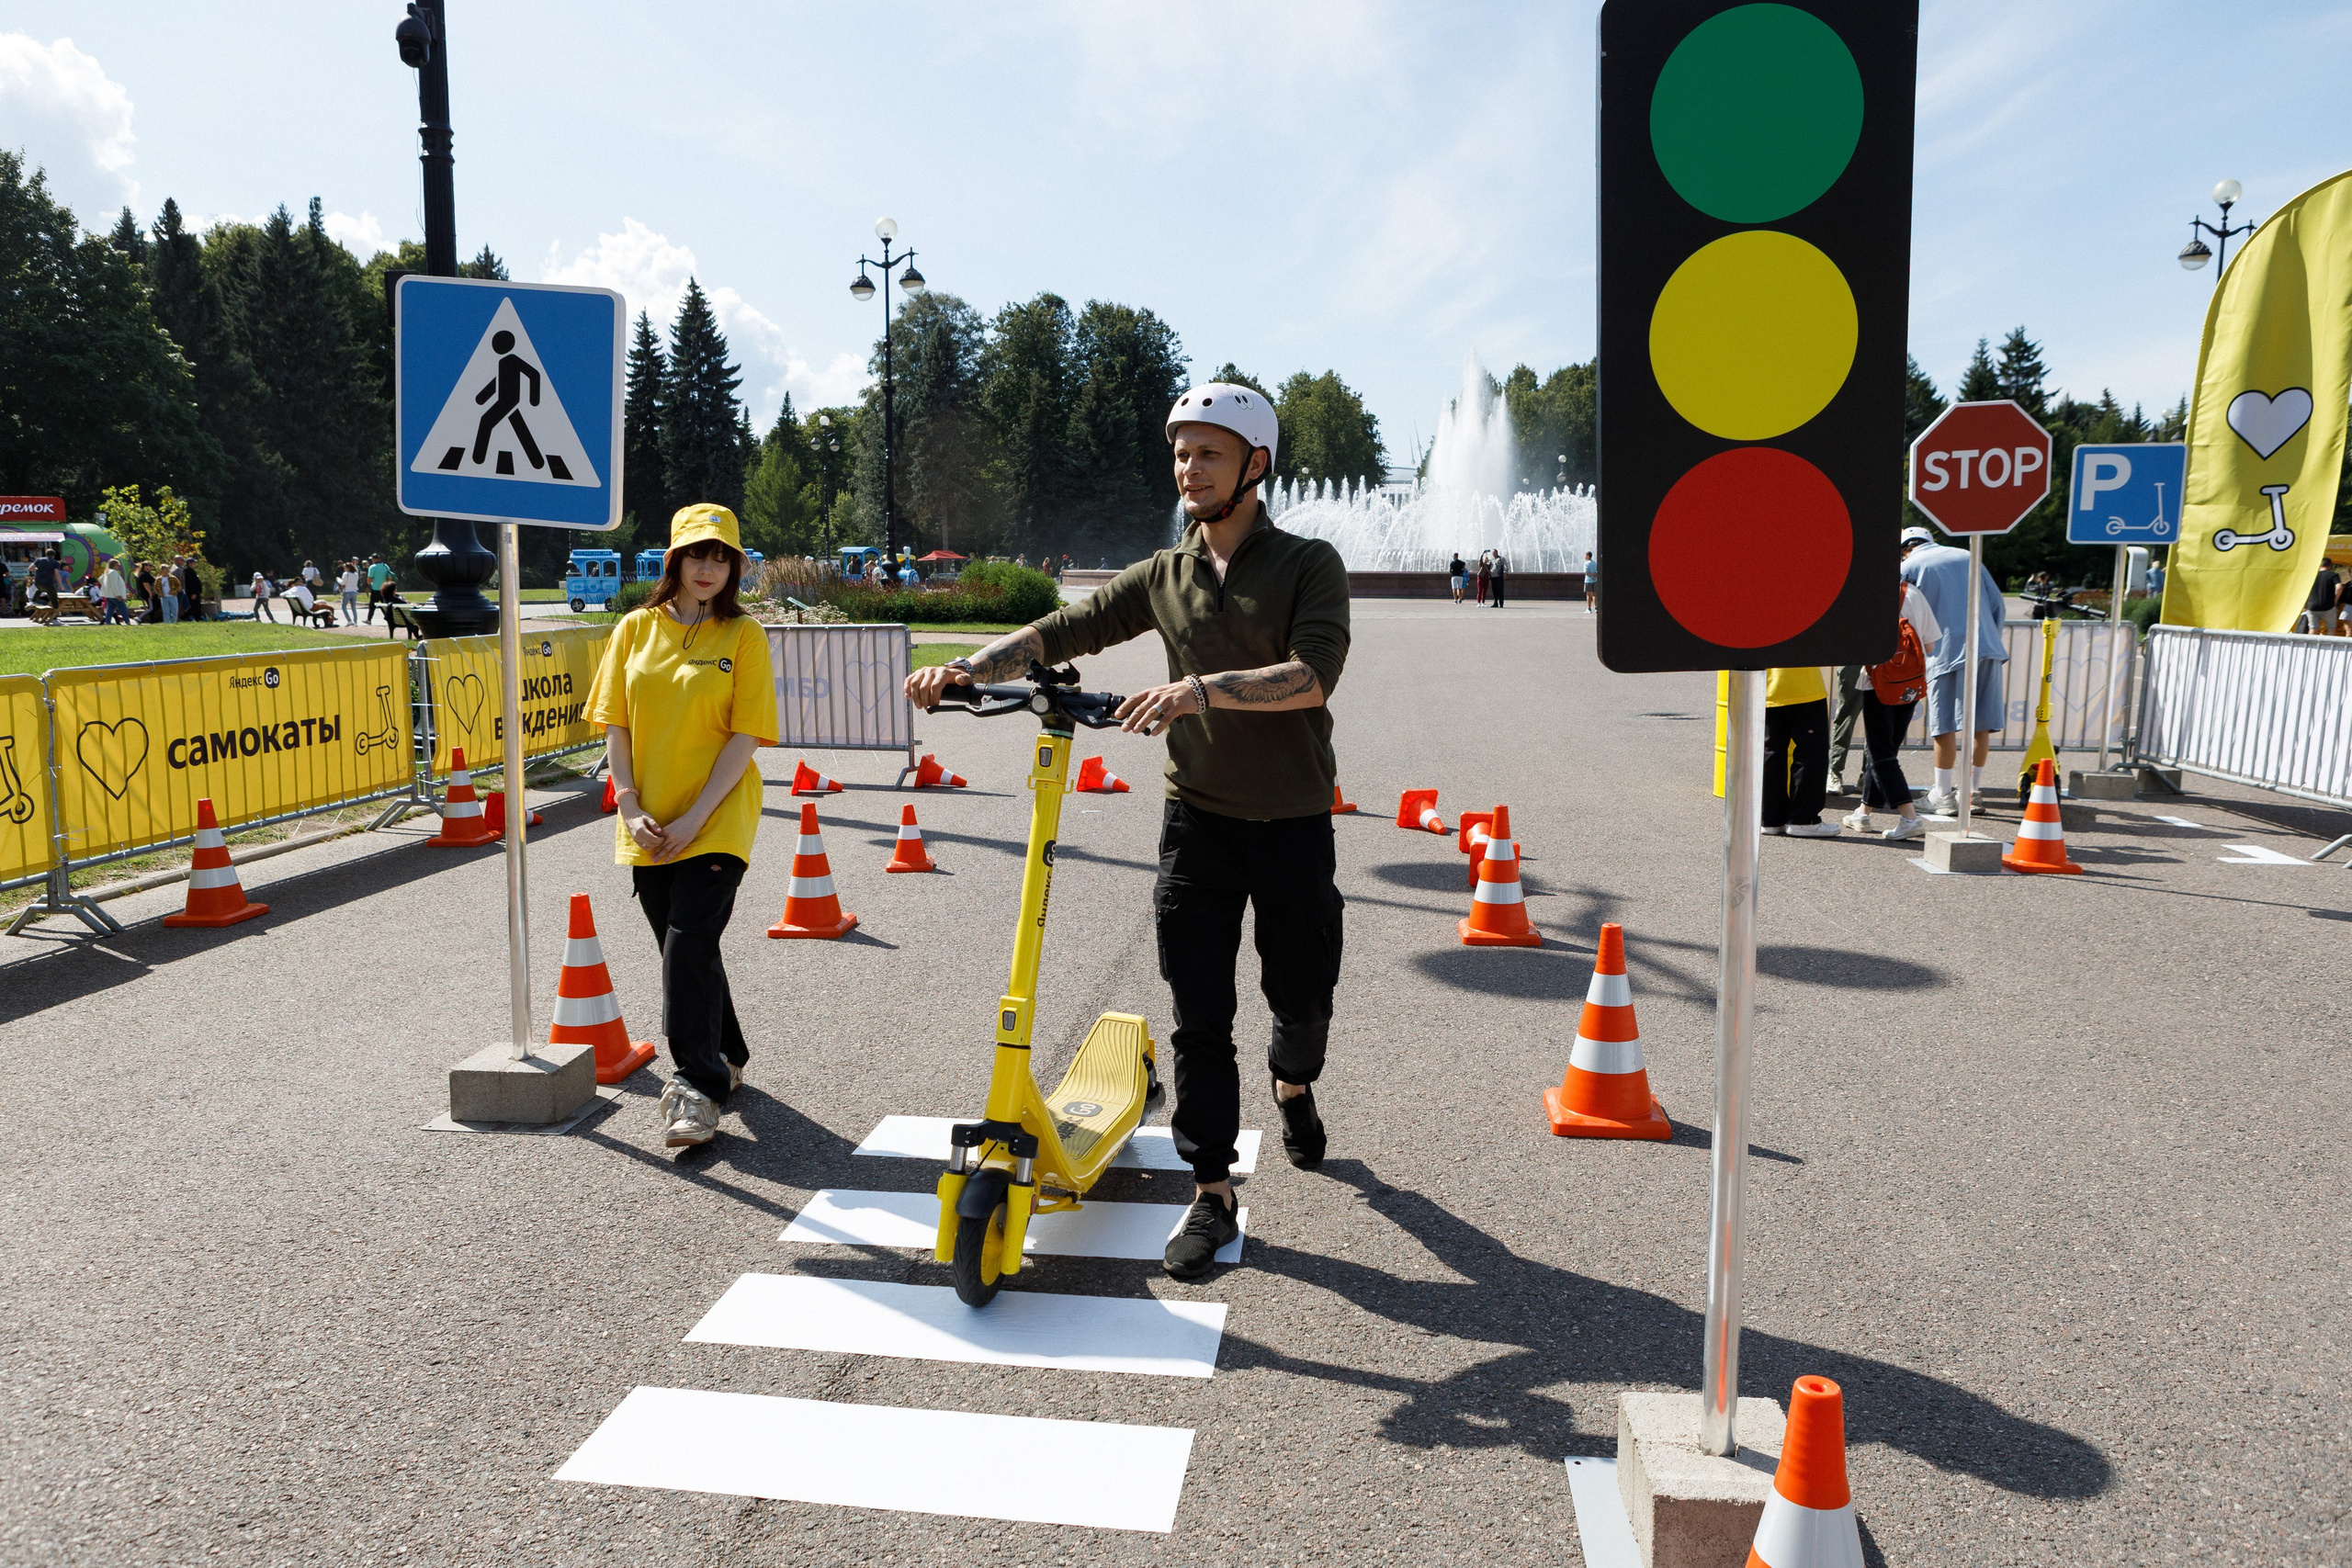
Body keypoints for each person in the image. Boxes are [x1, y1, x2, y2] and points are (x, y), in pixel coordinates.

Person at [905, 380, 1350, 1281]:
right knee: (1198, 1013)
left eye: (1209, 453)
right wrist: (965, 668)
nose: (1189, 468)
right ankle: (1212, 1188)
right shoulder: (1164, 573)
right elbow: (1068, 626)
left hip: (1294, 821)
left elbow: (1312, 675)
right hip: (1199, 822)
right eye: (1181, 453)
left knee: (1299, 1002)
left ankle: (1293, 1080)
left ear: (1254, 465)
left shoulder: (1307, 563)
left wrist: (1199, 690)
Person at [585, 503, 780, 1152]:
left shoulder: (744, 637)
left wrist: (697, 817)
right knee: (687, 948)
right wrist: (629, 803)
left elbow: (746, 734)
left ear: (735, 566)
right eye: (698, 554)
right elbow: (616, 722)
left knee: (688, 942)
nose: (709, 567)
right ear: (674, 560)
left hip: (717, 817)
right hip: (647, 822)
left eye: (722, 556)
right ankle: (726, 1050)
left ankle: (697, 1088)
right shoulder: (633, 630)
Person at [1898, 525, 2007, 816]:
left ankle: (1943, 795)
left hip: (1946, 651)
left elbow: (1897, 610)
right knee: (1980, 722)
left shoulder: (1909, 566)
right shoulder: (1968, 555)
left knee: (1943, 723)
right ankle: (1971, 792)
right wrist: (1989, 638)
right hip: (1987, 647)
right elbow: (1997, 604)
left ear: (1905, 548)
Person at [1840, 579, 1942, 841]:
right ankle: (1863, 813)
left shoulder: (1867, 594)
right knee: (1887, 751)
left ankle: (1910, 817)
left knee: (1881, 752)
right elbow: (1930, 645)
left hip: (1879, 684)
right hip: (1910, 683)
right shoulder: (1914, 592)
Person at [1761, 665, 1837, 837]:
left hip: (1769, 685)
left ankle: (1771, 818)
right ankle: (1803, 818)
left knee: (1771, 752)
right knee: (1811, 753)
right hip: (1804, 684)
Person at [2305, 567, 2338, 634]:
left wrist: (2305, 605)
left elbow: (2304, 590)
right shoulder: (2333, 575)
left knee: (2313, 628)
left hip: (2312, 606)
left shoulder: (2312, 575)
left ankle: (2310, 644)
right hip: (2328, 606)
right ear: (2330, 565)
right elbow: (2339, 587)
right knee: (2331, 628)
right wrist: (2335, 600)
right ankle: (2329, 644)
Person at [96, 558, 130, 625]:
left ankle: (107, 622)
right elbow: (114, 584)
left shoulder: (107, 572)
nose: (118, 566)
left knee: (110, 609)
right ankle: (127, 622)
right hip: (115, 595)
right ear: (114, 565)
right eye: (118, 565)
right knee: (123, 608)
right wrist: (118, 594)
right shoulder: (113, 572)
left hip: (109, 594)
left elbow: (100, 580)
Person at [178, 557, 202, 622]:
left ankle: (198, 619)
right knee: (193, 608)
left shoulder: (192, 571)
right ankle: (184, 617)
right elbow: (190, 584)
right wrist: (193, 593)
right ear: (190, 563)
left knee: (196, 607)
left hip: (196, 593)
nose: (195, 564)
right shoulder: (188, 572)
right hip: (192, 594)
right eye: (194, 563)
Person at [338, 560, 361, 626]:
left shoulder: (346, 574)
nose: (344, 569)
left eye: (345, 568)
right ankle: (355, 622)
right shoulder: (356, 574)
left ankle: (349, 620)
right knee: (353, 607)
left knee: (343, 606)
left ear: (348, 568)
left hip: (347, 591)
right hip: (354, 591)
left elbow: (343, 582)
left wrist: (338, 579)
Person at [162, 555, 182, 623]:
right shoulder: (159, 579)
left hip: (173, 596)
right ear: (162, 570)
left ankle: (173, 622)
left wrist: (173, 591)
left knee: (175, 611)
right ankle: (167, 623)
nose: (167, 570)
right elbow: (157, 587)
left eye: (168, 568)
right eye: (166, 569)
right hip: (164, 597)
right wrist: (160, 593)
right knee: (166, 611)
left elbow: (179, 586)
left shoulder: (173, 578)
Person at [1583, 551, 1598, 615]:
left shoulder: (1586, 564)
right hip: (1595, 580)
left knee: (1588, 595)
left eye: (1585, 555)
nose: (1584, 557)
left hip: (1588, 581)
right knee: (1594, 594)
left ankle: (1589, 609)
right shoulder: (1595, 563)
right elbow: (1597, 571)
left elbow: (1586, 573)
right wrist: (1595, 575)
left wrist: (1592, 575)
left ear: (1588, 556)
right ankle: (1596, 607)